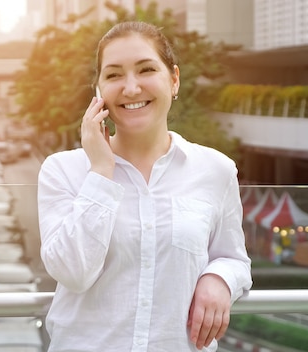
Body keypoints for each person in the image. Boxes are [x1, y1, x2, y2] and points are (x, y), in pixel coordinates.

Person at [37, 21, 252, 351]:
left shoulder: (216, 170)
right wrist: (100, 172)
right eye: (113, 75)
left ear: (174, 79)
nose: (131, 87)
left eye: (146, 69)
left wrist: (219, 279)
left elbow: (234, 259)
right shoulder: (63, 171)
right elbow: (72, 272)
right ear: (98, 91)